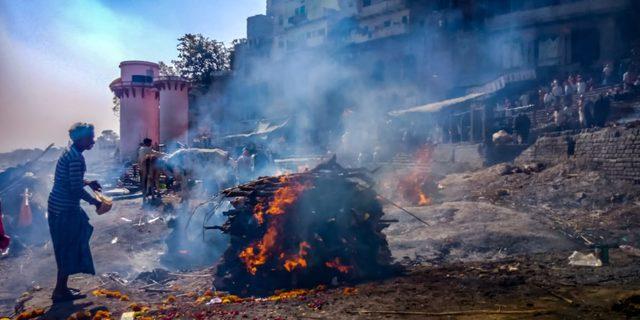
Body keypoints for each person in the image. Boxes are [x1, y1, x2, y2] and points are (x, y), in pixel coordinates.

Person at [47, 123, 103, 303]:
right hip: (64, 209)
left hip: (58, 207)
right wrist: (95, 201)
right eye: (91, 137)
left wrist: (89, 182)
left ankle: (62, 287)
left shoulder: (70, 152)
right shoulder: (76, 158)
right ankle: (59, 291)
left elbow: (72, 179)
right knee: (68, 247)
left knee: (68, 244)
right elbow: (74, 188)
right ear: (81, 139)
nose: (93, 141)